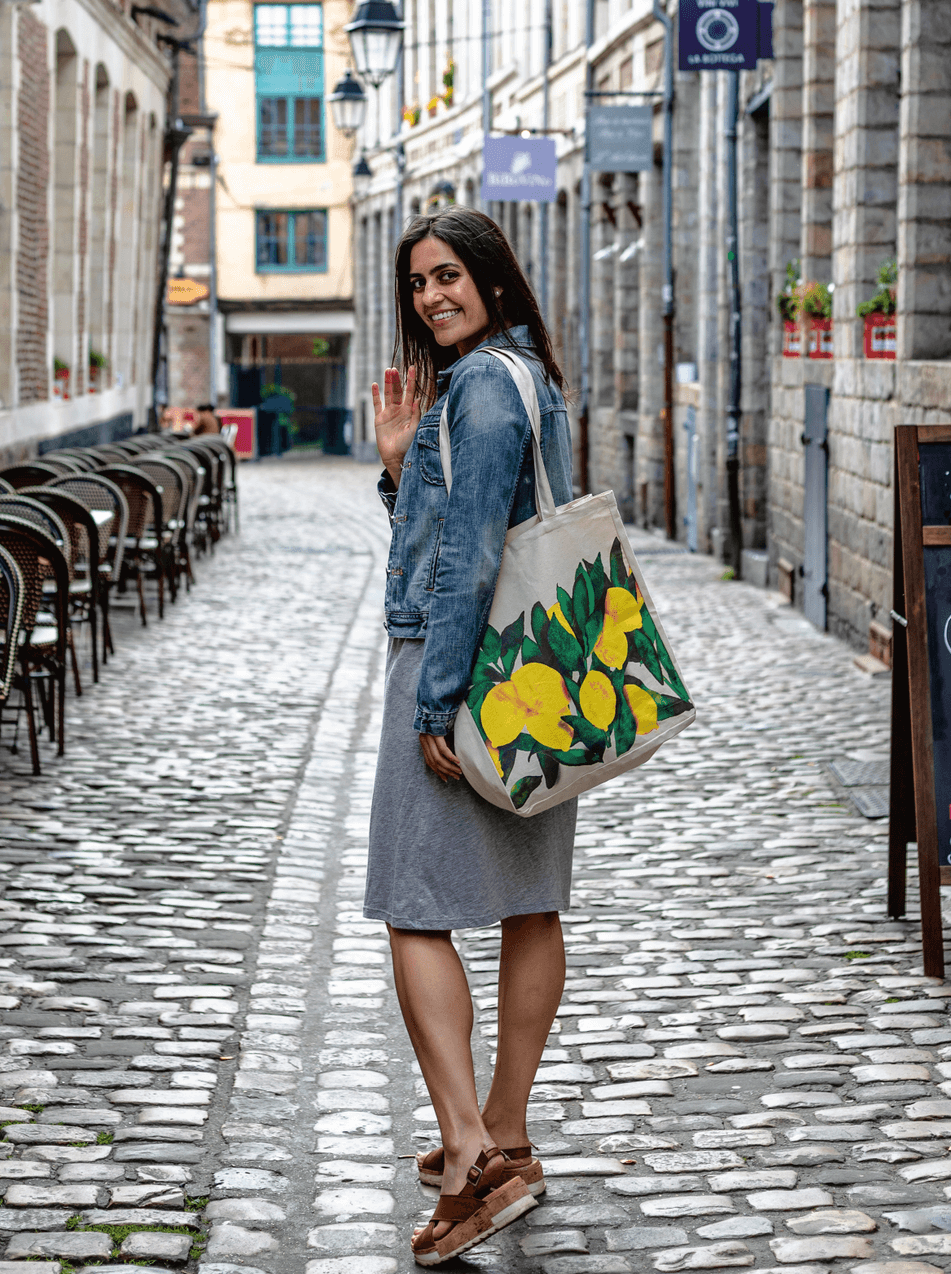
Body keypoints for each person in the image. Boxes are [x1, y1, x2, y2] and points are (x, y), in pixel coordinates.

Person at [366, 208, 576, 1266]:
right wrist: (404, 467)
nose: (432, 296)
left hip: (466, 672)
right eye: (417, 284)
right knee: (529, 902)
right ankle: (509, 1132)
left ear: (490, 277)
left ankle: (466, 1154)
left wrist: (436, 698)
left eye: (449, 275)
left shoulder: (486, 387)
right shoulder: (524, 375)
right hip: (540, 671)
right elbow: (462, 521)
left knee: (412, 905)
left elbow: (472, 556)